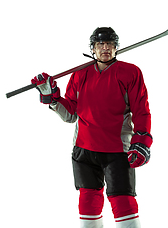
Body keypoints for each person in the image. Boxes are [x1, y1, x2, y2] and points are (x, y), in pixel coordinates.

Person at [31, 27, 152, 228]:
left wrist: (142, 141)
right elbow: (70, 113)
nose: (105, 48)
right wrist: (52, 99)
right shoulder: (80, 74)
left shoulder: (130, 72)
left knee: (124, 203)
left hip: (117, 151)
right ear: (93, 49)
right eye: (100, 44)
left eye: (110, 44)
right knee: (88, 203)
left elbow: (141, 111)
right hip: (84, 150)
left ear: (116, 48)